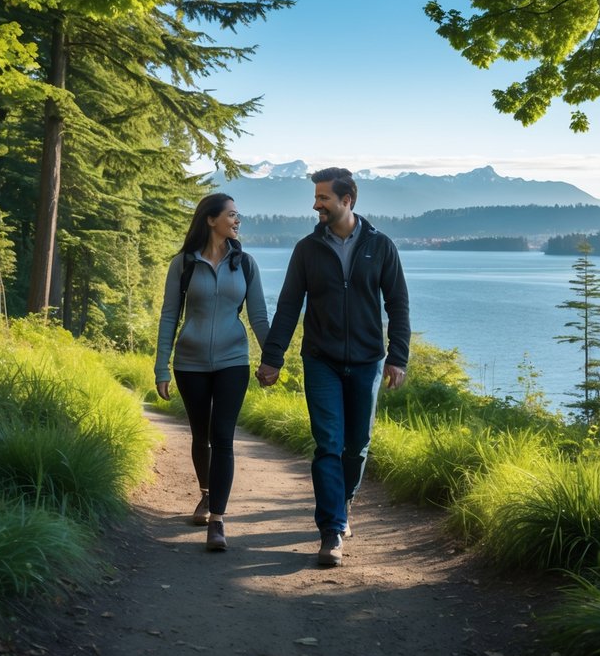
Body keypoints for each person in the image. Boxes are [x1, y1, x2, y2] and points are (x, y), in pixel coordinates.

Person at [256, 167, 410, 567]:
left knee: (356, 445)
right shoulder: (307, 249)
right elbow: (289, 305)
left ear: (347, 201)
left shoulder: (381, 246)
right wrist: (273, 358)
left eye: (323, 198)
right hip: (320, 359)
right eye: (316, 197)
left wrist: (398, 356)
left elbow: (397, 304)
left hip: (367, 361)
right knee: (328, 443)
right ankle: (331, 531)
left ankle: (343, 504)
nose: (316, 204)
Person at [154, 193, 270, 551]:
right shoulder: (184, 264)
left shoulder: (246, 264)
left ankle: (217, 520)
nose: (238, 221)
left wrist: (272, 359)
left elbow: (259, 318)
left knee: (223, 436)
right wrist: (161, 366)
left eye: (238, 215)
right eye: (232, 215)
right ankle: (206, 493)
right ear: (211, 219)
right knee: (200, 435)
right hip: (189, 364)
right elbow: (169, 316)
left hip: (233, 361)